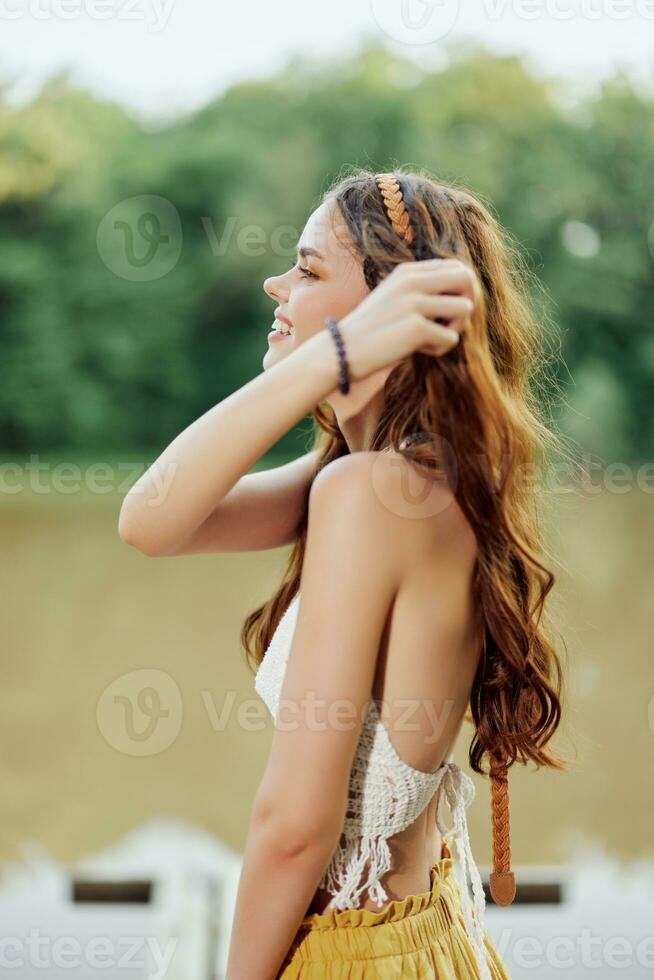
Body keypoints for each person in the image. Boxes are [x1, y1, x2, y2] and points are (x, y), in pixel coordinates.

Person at [118, 167, 568, 979]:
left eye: (308, 268)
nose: (274, 282)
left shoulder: (372, 495)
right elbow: (151, 520)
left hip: (357, 956)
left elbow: (295, 828)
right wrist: (326, 361)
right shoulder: (380, 474)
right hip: (414, 938)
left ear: (386, 311)